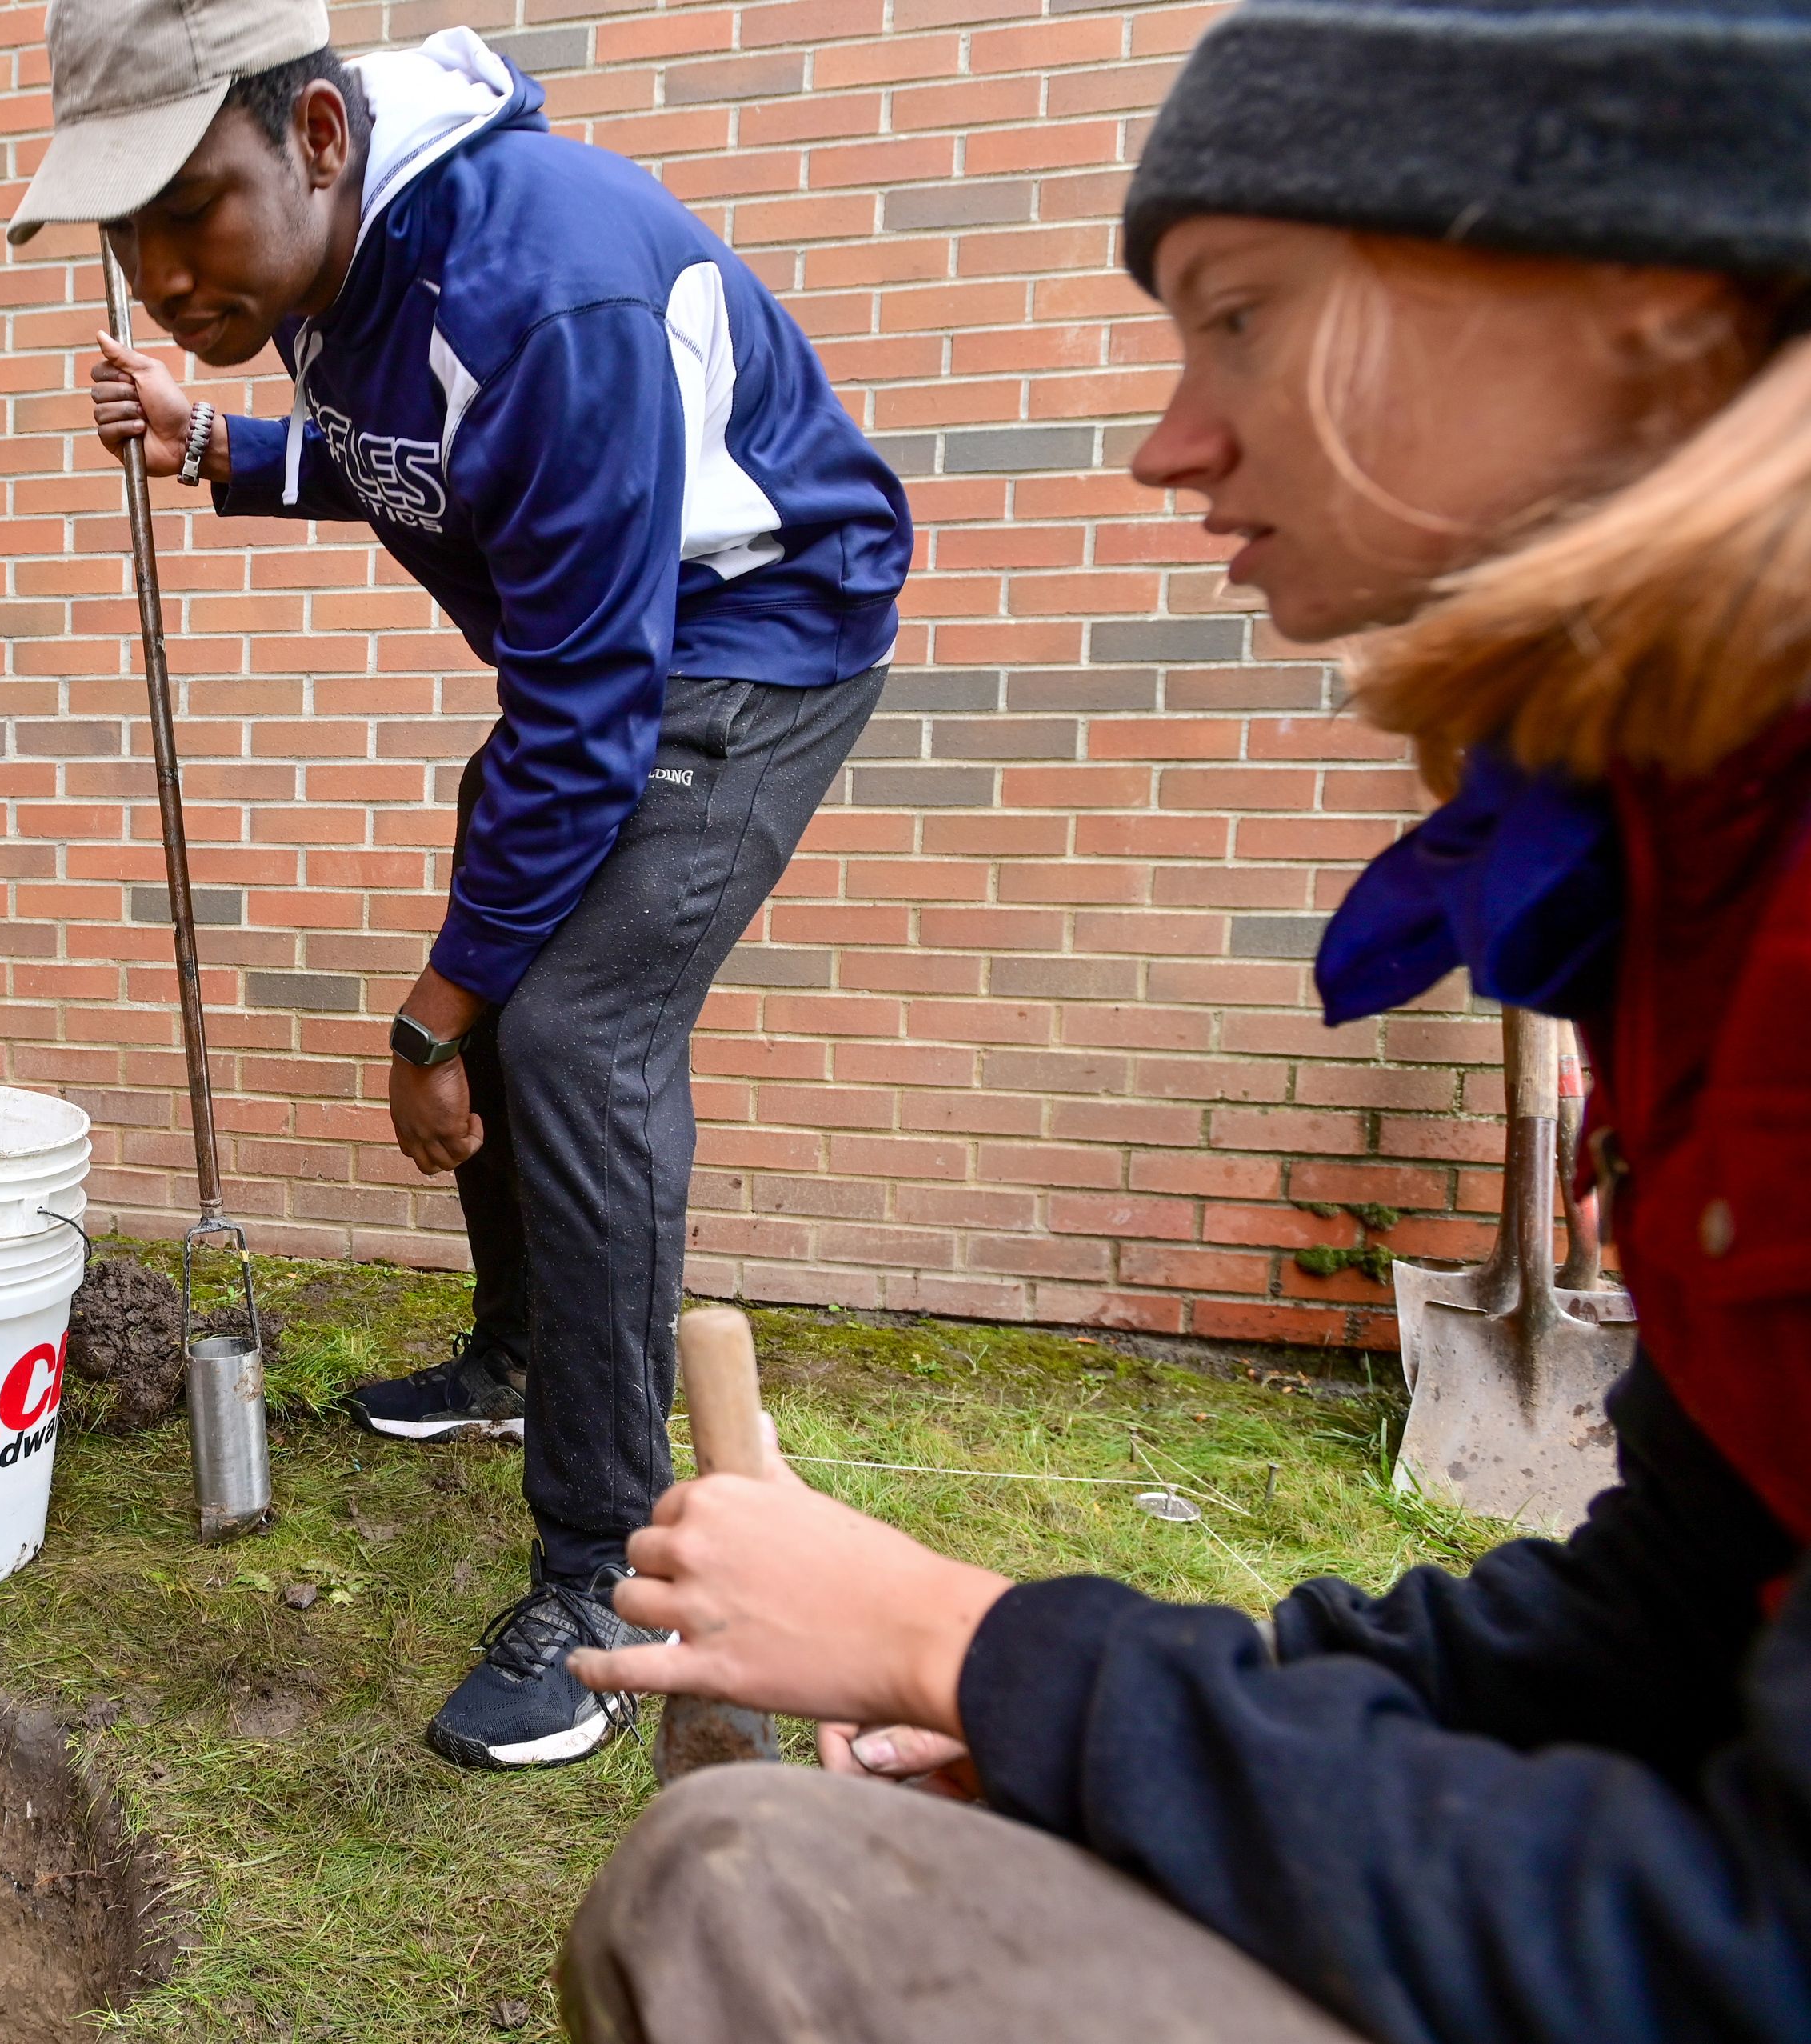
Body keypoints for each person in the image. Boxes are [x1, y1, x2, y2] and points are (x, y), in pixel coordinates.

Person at [556, 1, 1811, 2037]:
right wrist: (1091, 1738)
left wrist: (978, 1650)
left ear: (1645, 305)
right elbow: (1667, 1606)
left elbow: (1744, 1949)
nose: (1169, 437)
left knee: (745, 1896)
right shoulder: (1709, 836)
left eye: (1241, 320)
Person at [27, 0, 912, 1771]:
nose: (158, 275)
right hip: (625, 662)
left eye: (186, 209)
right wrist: (217, 440)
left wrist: (432, 1022)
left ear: (323, 140)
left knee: (570, 1027)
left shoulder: (545, 285)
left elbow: (585, 726)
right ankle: (518, 1359)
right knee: (515, 943)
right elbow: (418, 463)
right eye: (122, 236)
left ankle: (607, 1576)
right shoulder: (351, 279)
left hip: (755, 641)